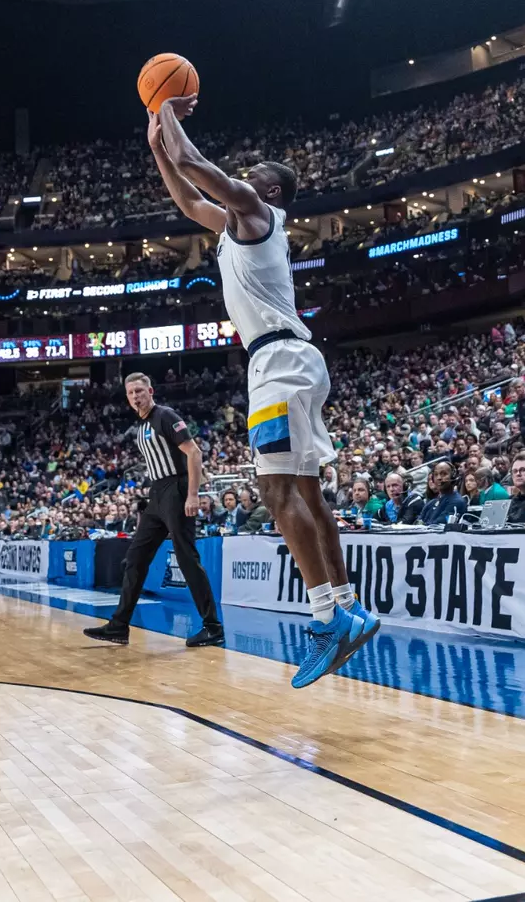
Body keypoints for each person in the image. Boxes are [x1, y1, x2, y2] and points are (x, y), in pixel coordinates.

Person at [152, 95, 374, 689]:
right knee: (306, 491)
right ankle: (347, 603)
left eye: (252, 179)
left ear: (270, 193)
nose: (242, 182)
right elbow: (188, 195)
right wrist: (157, 146)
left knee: (275, 494)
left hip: (277, 362)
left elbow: (199, 166)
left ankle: (326, 616)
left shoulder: (256, 212)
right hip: (291, 359)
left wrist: (167, 107)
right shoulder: (230, 229)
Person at [84, 373, 223, 647]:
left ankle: (213, 627)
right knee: (134, 559)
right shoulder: (141, 426)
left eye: (139, 391)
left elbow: (194, 453)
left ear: (151, 390)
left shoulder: (166, 415)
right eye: (131, 393)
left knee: (186, 558)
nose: (136, 396)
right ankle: (119, 625)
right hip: (157, 494)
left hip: (177, 489)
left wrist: (193, 494)